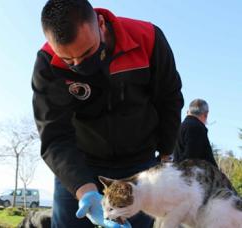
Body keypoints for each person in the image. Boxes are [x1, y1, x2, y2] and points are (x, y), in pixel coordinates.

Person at [31, 0, 184, 227]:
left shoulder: (147, 38)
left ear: (100, 24)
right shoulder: (47, 62)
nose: (78, 64)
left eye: (86, 53)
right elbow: (54, 136)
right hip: (79, 163)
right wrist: (85, 191)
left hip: (139, 165)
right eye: (68, 60)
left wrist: (164, 157)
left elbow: (169, 100)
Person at [173, 99, 218, 167]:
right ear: (206, 114)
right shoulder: (197, 128)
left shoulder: (180, 126)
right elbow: (191, 158)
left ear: (189, 111)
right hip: (193, 175)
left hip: (177, 172)